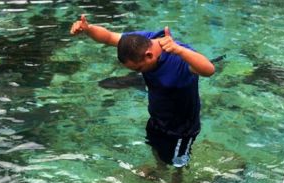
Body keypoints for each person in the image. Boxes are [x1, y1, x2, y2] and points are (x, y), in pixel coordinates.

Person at [70, 14, 215, 171]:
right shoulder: (141, 41)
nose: (138, 72)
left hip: (181, 129)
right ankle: (160, 169)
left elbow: (209, 70)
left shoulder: (178, 59)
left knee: (177, 162)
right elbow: (109, 37)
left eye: (139, 69)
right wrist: (88, 29)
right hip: (157, 119)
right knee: (155, 146)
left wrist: (179, 50)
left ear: (149, 55)